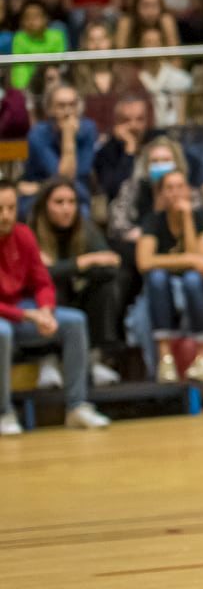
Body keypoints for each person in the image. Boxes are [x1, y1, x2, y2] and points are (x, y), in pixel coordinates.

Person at [0, 180, 110, 435]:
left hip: (24, 314)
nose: (5, 215)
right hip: (10, 317)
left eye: (11, 208)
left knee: (74, 321)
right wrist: (27, 314)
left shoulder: (23, 235)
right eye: (0, 209)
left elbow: (42, 281)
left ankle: (77, 406)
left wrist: (47, 309)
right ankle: (4, 412)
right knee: (2, 332)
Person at [135, 167, 203, 386]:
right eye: (169, 188)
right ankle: (165, 358)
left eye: (180, 187)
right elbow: (144, 262)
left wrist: (187, 218)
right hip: (162, 291)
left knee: (191, 280)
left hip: (199, 289)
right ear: (161, 193)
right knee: (157, 278)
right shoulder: (152, 220)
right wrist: (189, 260)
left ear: (189, 190)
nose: (176, 193)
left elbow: (199, 263)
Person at [31, 177, 125, 369]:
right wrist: (84, 261)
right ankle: (47, 360)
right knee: (52, 286)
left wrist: (68, 268)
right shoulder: (30, 233)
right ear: (44, 205)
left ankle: (95, 357)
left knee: (106, 286)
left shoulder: (86, 229)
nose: (67, 208)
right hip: (43, 308)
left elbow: (110, 266)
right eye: (59, 202)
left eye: (72, 202)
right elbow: (39, 277)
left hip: (80, 300)